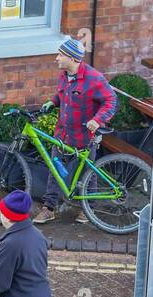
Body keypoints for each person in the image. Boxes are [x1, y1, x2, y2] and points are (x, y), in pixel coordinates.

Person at [36, 36, 116, 225]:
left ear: (72, 58)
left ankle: (88, 209)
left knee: (88, 173)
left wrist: (97, 120)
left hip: (84, 137)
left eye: (60, 55)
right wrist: (53, 102)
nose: (56, 58)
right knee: (55, 169)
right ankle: (49, 208)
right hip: (62, 134)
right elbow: (63, 94)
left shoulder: (94, 78)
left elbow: (111, 101)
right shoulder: (64, 74)